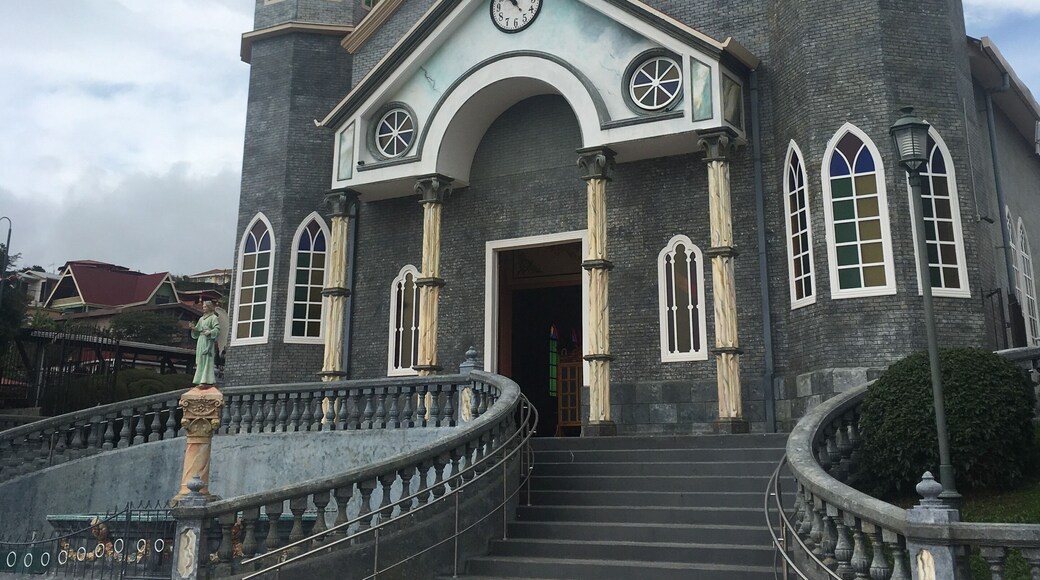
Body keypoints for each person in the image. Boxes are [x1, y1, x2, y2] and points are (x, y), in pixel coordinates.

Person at [190, 301, 220, 388]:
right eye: (203, 307)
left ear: (209, 307)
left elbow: (217, 329)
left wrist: (210, 332)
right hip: (201, 340)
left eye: (205, 307)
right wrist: (193, 328)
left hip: (208, 341)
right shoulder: (201, 319)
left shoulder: (213, 318)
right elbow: (197, 330)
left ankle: (207, 380)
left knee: (207, 359)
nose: (203, 308)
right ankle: (199, 379)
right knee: (200, 359)